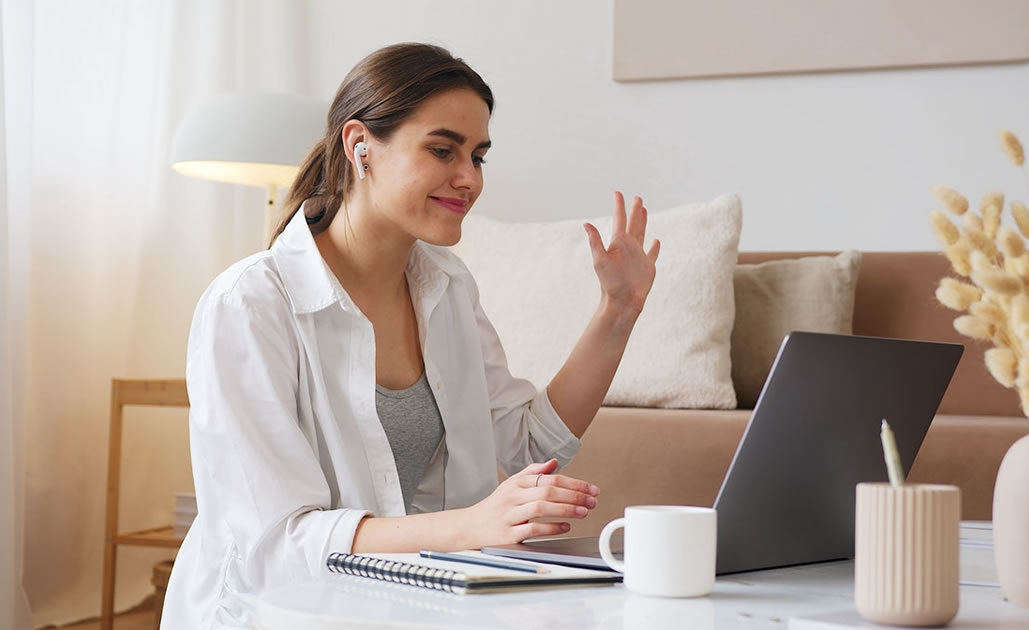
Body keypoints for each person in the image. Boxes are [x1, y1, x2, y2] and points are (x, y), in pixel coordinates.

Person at [161, 43, 660, 628]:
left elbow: (529, 443)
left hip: (410, 604)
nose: (468, 178)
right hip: (277, 612)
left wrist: (617, 310)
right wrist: (472, 526)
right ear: (359, 146)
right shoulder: (249, 304)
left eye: (478, 156)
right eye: (443, 150)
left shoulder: (447, 286)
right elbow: (277, 546)